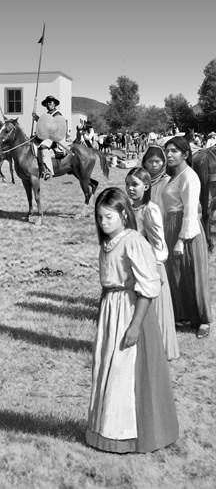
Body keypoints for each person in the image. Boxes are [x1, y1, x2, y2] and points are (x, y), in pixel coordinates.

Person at [87, 187, 178, 454]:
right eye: (100, 218)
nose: (103, 223)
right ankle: (106, 429)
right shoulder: (107, 243)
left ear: (124, 215)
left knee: (124, 374)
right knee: (106, 368)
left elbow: (149, 286)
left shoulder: (134, 242)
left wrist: (135, 325)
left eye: (109, 217)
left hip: (130, 311)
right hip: (111, 310)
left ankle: (127, 434)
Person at [125, 167, 179, 361]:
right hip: (135, 266)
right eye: (128, 184)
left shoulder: (150, 210)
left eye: (135, 185)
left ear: (146, 186)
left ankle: (158, 350)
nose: (130, 188)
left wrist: (153, 269)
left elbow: (159, 243)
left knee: (154, 310)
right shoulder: (130, 209)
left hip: (151, 268)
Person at [160, 137, 211, 339]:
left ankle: (203, 319)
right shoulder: (174, 175)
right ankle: (183, 314)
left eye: (174, 151)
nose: (169, 154)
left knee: (192, 274)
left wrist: (181, 239)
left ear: (186, 154)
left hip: (185, 230)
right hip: (171, 227)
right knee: (176, 274)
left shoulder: (189, 177)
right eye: (167, 150)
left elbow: (190, 211)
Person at [31, 95, 69, 180]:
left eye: (50, 102)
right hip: (46, 136)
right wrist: (36, 118)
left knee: (43, 147)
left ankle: (48, 171)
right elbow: (43, 124)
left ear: (54, 104)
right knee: (31, 142)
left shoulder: (57, 114)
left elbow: (57, 127)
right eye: (47, 103)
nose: (48, 104)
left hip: (53, 137)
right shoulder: (47, 115)